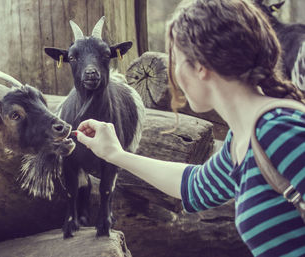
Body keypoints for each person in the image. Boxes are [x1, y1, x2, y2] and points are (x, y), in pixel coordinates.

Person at [74, 0, 305, 256]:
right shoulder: (243, 140)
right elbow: (195, 186)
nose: (173, 72)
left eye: (176, 59)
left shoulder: (278, 130)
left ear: (200, 67)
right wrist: (116, 154)